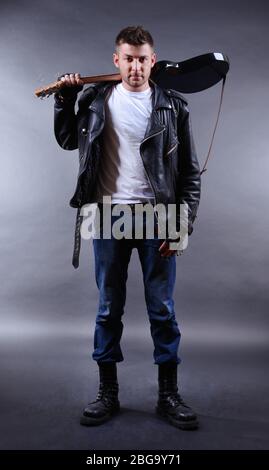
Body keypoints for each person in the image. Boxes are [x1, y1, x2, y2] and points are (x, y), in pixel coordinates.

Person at [54, 25, 201, 430]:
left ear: (153, 61)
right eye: (128, 58)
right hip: (105, 214)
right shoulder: (94, 99)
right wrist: (64, 100)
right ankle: (108, 394)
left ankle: (168, 396)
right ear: (116, 60)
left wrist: (182, 223)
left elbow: (189, 172)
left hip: (159, 215)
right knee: (107, 310)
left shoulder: (173, 106)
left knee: (163, 311)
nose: (135, 66)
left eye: (142, 59)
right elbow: (68, 140)